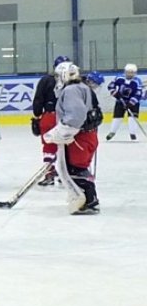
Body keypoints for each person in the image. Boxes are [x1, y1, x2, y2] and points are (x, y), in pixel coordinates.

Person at [43, 62, 102, 214]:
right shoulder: (82, 87)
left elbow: (76, 116)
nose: (56, 79)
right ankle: (89, 199)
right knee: (78, 168)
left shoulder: (71, 90)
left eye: (57, 75)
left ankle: (87, 201)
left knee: (74, 169)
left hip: (78, 137)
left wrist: (59, 132)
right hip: (86, 136)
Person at [31, 55, 71, 186]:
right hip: (67, 118)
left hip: (50, 116)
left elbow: (38, 100)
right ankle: (65, 175)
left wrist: (37, 115)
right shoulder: (73, 82)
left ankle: (50, 173)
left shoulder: (46, 80)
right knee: (66, 146)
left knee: (49, 145)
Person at [106, 63, 143, 141]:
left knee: (132, 118)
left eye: (132, 72)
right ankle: (112, 132)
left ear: (135, 73)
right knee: (117, 117)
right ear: (125, 71)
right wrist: (115, 93)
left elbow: (138, 94)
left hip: (133, 103)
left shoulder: (137, 81)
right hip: (120, 101)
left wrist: (131, 103)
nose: (130, 74)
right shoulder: (119, 78)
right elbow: (110, 86)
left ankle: (133, 134)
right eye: (128, 72)